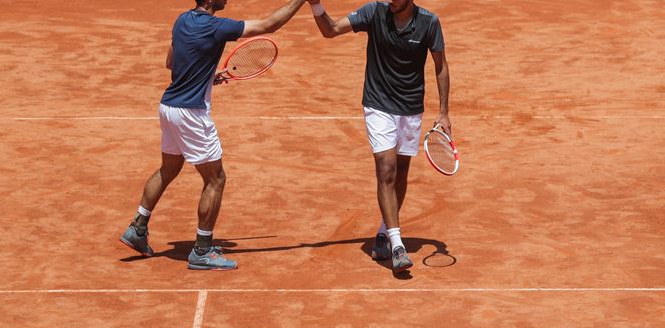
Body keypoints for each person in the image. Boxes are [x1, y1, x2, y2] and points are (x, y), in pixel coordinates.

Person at [120, 0, 310, 270]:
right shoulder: (217, 27)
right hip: (191, 114)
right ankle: (202, 250)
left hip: (168, 107)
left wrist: (206, 76)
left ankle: (137, 228)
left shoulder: (181, 20)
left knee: (168, 168)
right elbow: (270, 25)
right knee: (216, 179)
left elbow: (171, 63)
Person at [306, 0, 451, 273]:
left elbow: (440, 66)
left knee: (401, 172)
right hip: (378, 104)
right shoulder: (373, 12)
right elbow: (331, 29)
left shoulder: (429, 23)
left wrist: (443, 111)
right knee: (386, 168)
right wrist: (316, 5)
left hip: (410, 107)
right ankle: (398, 246)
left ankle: (385, 231)